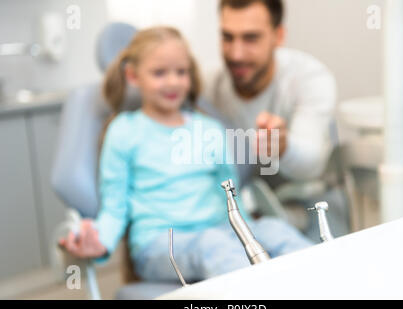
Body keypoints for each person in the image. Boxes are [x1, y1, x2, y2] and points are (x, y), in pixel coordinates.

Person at [58, 26, 312, 282]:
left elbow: (231, 197)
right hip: (159, 245)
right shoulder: (124, 131)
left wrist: (250, 232)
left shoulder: (210, 129)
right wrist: (98, 243)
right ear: (133, 76)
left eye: (181, 72)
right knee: (212, 245)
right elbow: (114, 208)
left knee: (276, 230)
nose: (172, 82)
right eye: (159, 73)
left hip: (222, 230)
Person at [201, 0, 337, 186]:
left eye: (251, 38)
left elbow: (312, 162)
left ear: (278, 36)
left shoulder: (309, 78)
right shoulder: (207, 85)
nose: (236, 54)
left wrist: (284, 147)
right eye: (227, 37)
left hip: (305, 201)